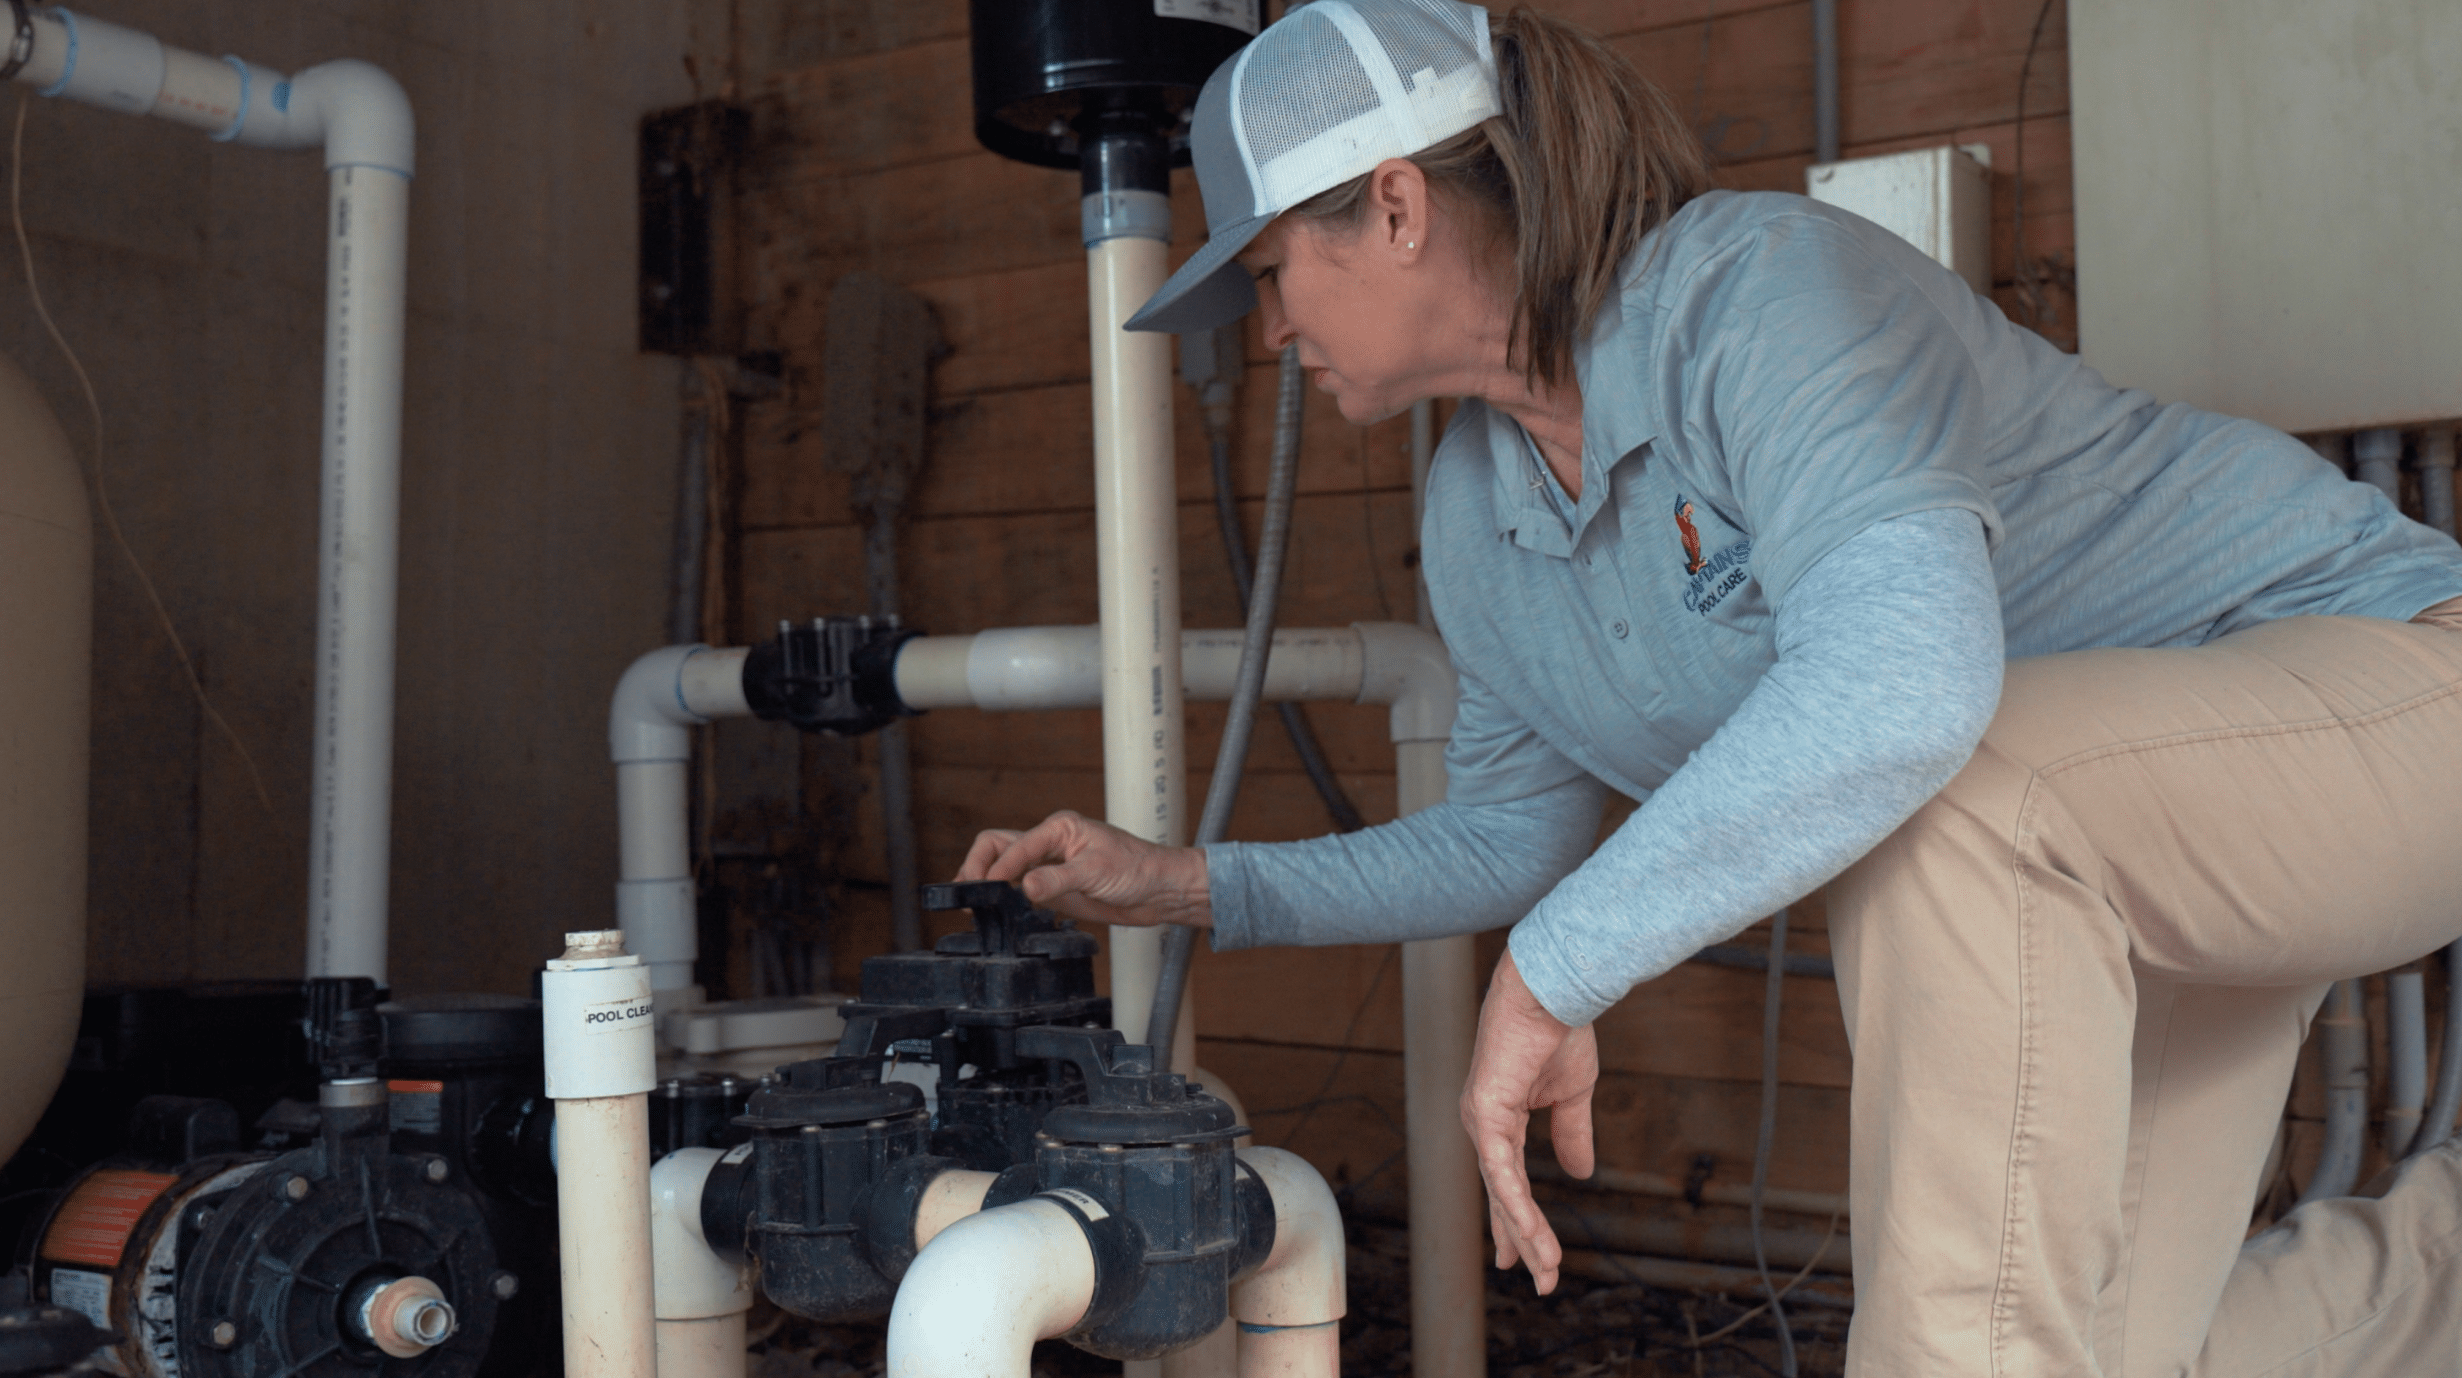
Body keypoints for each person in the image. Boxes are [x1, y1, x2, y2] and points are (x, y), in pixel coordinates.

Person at [959, 1, 2462, 1372]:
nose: (1271, 334)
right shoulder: (1478, 518)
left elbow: (1903, 676)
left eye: (1276, 270)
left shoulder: (1753, 294)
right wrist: (1193, 882)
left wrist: (1558, 966)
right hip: (2114, 859)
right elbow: (1513, 836)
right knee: (2117, 1350)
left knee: (1968, 800)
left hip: (2390, 688)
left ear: (1398, 206)